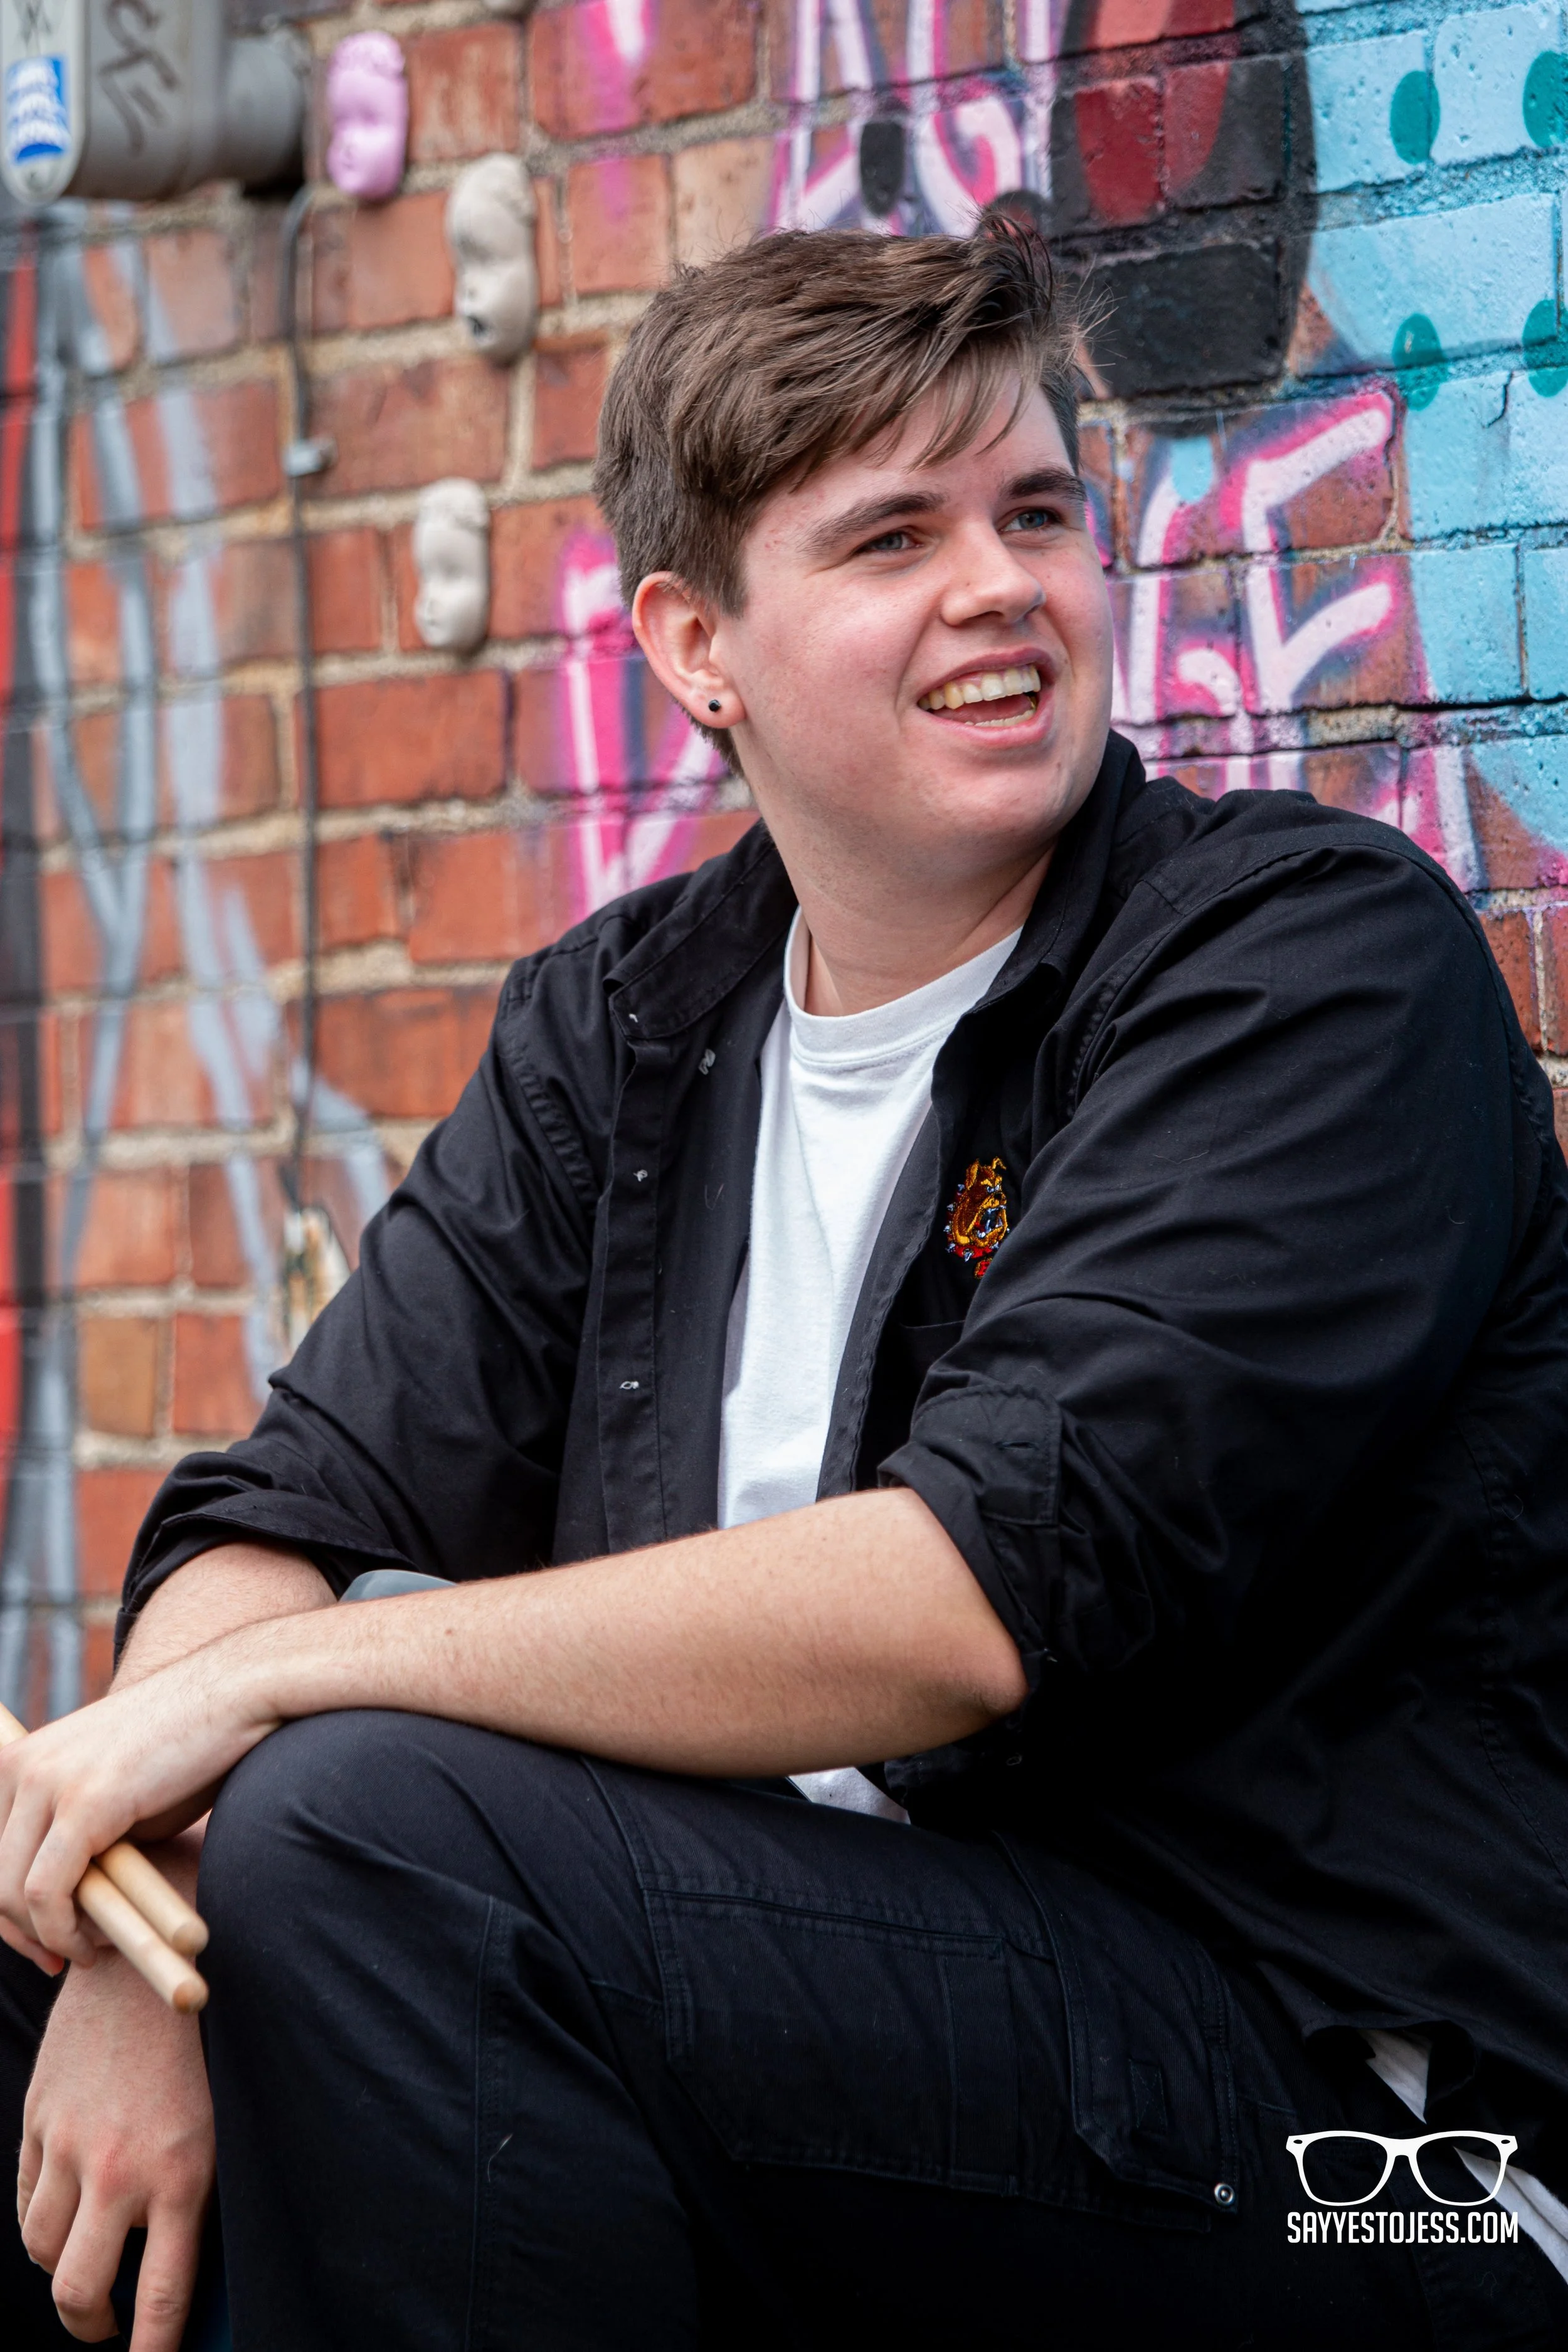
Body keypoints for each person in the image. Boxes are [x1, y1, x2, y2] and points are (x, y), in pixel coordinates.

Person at [4, 222, 1568, 2352]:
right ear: (694, 644)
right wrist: (136, 1920)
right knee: (120, 1936)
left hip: (1331, 2132)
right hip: (795, 2020)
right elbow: (297, 1513)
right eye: (890, 536)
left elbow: (971, 1597)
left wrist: (271, 1705)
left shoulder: (1302, 965)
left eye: (1034, 512)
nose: (999, 584)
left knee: (376, 1833)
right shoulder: (628, 1022)